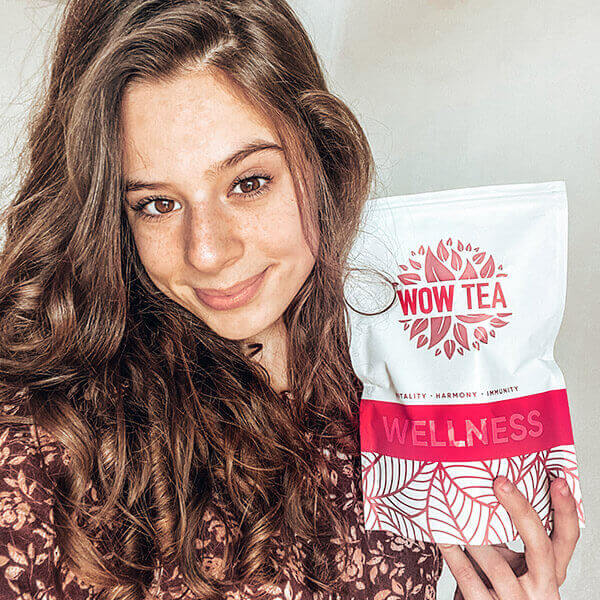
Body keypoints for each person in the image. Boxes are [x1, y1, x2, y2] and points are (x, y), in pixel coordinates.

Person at [0, 1, 580, 599]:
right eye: (158, 204)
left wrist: (494, 585)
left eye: (248, 183)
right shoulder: (40, 443)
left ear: (321, 159)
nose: (207, 252)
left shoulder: (396, 388)